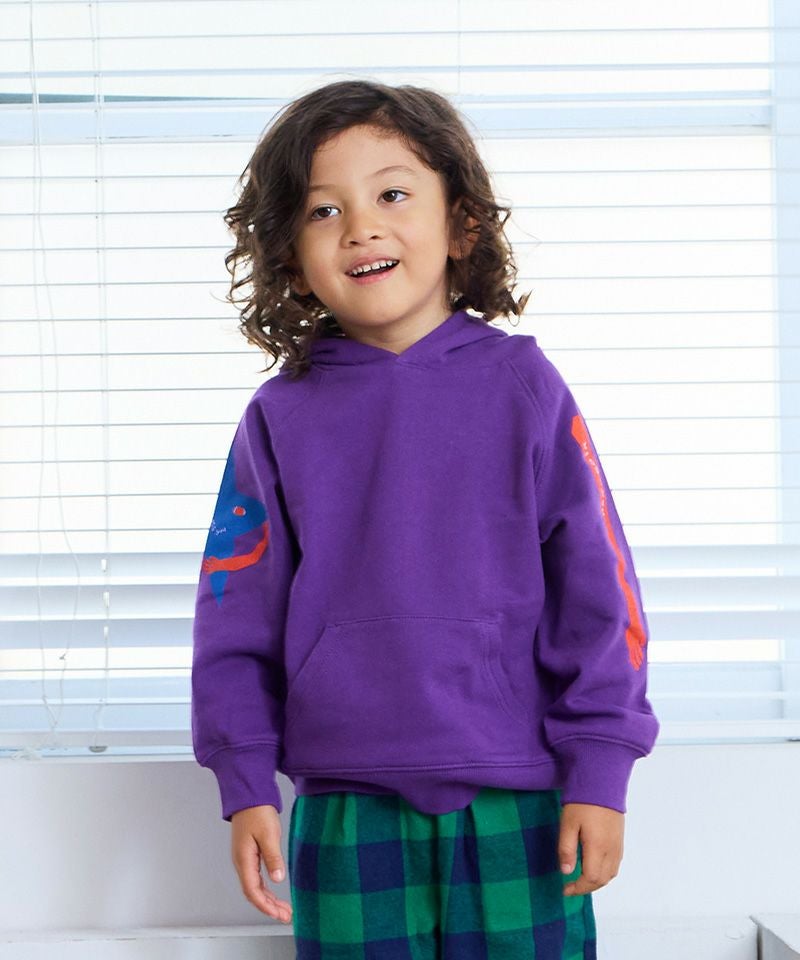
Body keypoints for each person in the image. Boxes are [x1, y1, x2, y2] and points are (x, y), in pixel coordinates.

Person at [190, 78, 660, 959]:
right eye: (323, 210)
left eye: (393, 194)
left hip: (520, 799)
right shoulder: (278, 418)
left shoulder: (525, 388)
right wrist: (243, 777)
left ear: (462, 225)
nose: (360, 227)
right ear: (289, 255)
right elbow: (233, 616)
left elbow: (600, 594)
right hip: (345, 804)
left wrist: (602, 765)